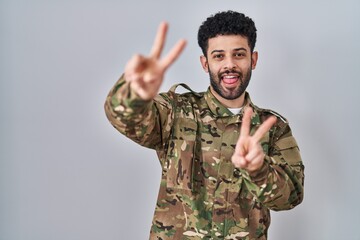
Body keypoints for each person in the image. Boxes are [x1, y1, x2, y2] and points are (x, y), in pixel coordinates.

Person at [104, 10, 304, 240]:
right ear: (205, 63)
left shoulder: (273, 128)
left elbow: (291, 197)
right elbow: (125, 119)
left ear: (253, 59)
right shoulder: (176, 111)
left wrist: (258, 170)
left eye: (239, 54)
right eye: (219, 56)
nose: (229, 65)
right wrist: (134, 94)